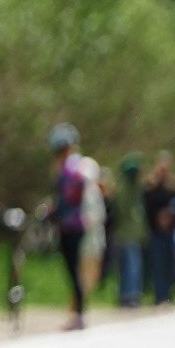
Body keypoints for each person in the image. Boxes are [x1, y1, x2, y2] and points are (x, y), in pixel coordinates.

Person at [48, 124, 105, 330]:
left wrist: (56, 209)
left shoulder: (69, 166)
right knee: (75, 269)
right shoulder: (75, 164)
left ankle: (78, 313)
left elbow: (69, 194)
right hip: (74, 223)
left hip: (71, 225)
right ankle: (77, 311)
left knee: (74, 269)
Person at [142, 153, 175, 305]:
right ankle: (159, 296)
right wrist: (158, 218)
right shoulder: (150, 190)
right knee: (158, 265)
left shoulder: (172, 190)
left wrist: (170, 218)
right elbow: (146, 209)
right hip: (156, 232)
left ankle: (169, 294)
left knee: (171, 265)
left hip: (170, 232)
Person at [113, 154, 148, 306]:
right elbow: (123, 210)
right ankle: (128, 296)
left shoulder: (135, 188)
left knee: (131, 266)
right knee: (130, 266)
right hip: (126, 234)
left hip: (132, 234)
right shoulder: (124, 189)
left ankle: (130, 295)